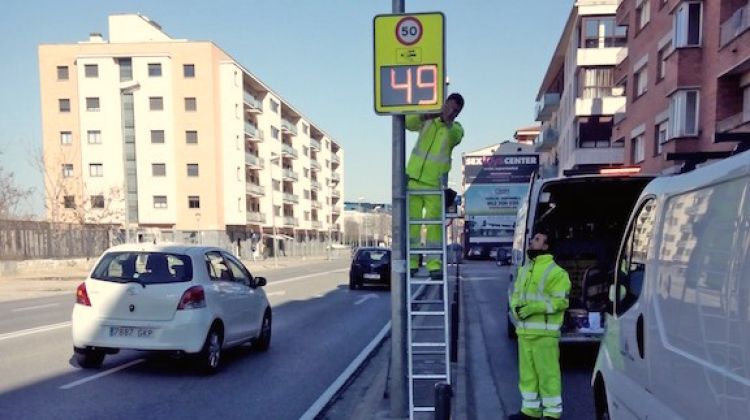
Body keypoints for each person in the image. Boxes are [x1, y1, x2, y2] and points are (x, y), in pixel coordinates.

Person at [508, 231, 571, 420]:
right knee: (528, 376)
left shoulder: (557, 273)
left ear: (546, 246)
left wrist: (533, 308)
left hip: (545, 334)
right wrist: (516, 308)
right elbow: (516, 295)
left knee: (548, 376)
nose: (531, 242)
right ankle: (530, 411)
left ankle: (552, 414)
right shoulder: (525, 270)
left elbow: (560, 302)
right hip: (525, 332)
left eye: (537, 239)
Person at [406, 93, 465, 279]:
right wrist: (430, 114)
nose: (451, 111)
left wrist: (447, 121)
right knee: (412, 225)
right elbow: (408, 122)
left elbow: (456, 135)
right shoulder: (428, 120)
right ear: (444, 103)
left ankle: (434, 265)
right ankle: (412, 262)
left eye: (455, 110)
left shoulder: (455, 129)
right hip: (414, 179)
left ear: (458, 113)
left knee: (434, 227)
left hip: (434, 184)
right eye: (450, 106)